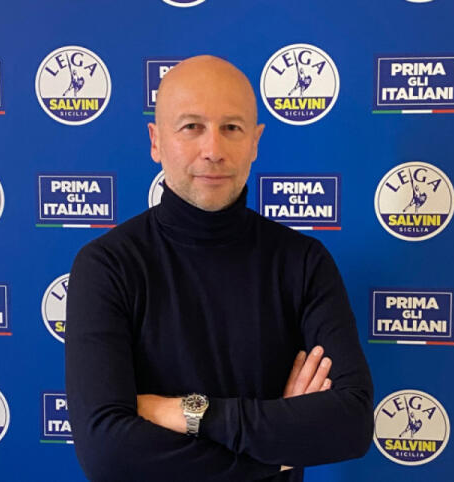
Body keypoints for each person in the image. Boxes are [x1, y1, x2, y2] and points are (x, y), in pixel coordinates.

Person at [65, 55, 373, 482]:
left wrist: (189, 413)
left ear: (255, 142)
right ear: (156, 141)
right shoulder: (108, 265)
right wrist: (277, 449)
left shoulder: (303, 261)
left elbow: (351, 424)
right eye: (192, 127)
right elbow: (108, 454)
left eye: (231, 128)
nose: (213, 150)